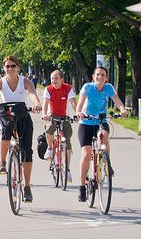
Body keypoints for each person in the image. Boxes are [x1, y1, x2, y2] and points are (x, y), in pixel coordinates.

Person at [0, 55, 42, 202]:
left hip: (22, 114)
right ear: (4, 68)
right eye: (7, 66)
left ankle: (27, 187)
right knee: (5, 133)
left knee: (26, 151)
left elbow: (32, 94)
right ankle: (3, 162)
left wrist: (37, 103)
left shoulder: (25, 81)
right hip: (6, 113)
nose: (10, 69)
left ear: (18, 67)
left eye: (13, 66)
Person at [75, 66, 127, 202]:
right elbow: (80, 103)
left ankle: (105, 162)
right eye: (98, 74)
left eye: (103, 75)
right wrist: (78, 112)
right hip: (86, 122)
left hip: (101, 121)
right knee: (86, 153)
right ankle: (81, 187)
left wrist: (122, 109)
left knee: (103, 135)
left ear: (106, 78)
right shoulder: (87, 87)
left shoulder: (108, 88)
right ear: (93, 76)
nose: (100, 77)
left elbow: (117, 100)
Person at [42, 70, 77, 183]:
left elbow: (73, 101)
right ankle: (50, 148)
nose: (54, 81)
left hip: (63, 116)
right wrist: (44, 114)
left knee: (67, 141)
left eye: (56, 78)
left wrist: (77, 113)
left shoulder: (67, 88)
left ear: (62, 79)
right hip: (51, 115)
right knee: (50, 128)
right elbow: (45, 103)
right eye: (52, 78)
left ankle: (67, 169)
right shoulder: (48, 89)